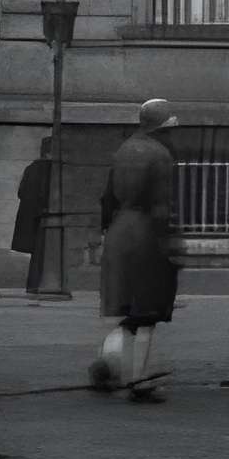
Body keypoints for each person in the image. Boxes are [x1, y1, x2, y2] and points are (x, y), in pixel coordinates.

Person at [90, 99, 181, 402]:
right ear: (164, 126)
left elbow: (106, 198)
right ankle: (138, 380)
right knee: (147, 312)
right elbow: (160, 205)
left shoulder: (124, 149)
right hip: (145, 236)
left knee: (125, 308)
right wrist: (171, 243)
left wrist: (106, 231)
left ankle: (109, 361)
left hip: (119, 230)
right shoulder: (160, 155)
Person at [11, 136, 54, 295]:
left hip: (32, 217)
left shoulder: (31, 168)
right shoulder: (51, 169)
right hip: (44, 216)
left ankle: (33, 285)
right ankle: (40, 285)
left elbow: (21, 192)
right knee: (43, 254)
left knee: (38, 254)